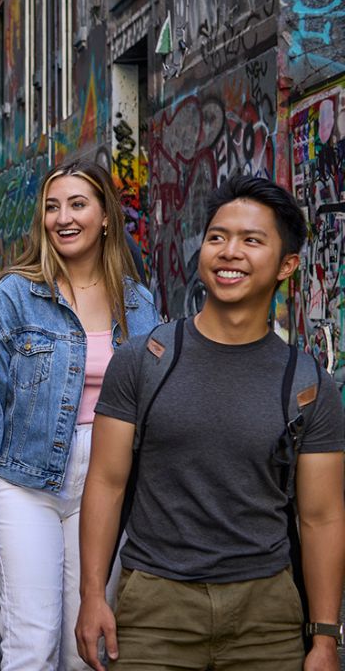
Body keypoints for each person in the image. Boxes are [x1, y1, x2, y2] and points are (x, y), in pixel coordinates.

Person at [76, 174, 345, 671]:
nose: (229, 251)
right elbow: (107, 484)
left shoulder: (308, 385)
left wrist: (325, 638)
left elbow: (322, 517)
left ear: (287, 264)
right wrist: (93, 595)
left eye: (251, 240)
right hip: (155, 608)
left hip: (267, 618)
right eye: (217, 237)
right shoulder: (143, 360)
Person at [0, 159, 159, 670]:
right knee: (32, 644)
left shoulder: (139, 304)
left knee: (89, 648)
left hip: (108, 485)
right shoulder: (16, 295)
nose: (63, 217)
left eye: (78, 204)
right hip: (25, 483)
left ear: (106, 216)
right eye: (52, 206)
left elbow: (154, 406)